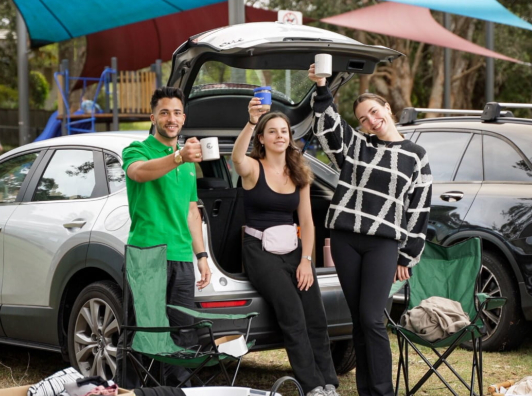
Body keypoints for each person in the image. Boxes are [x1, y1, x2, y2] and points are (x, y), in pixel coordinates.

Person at [309, 65, 432, 396]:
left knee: (372, 318)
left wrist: (407, 255)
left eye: (374, 112)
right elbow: (329, 130)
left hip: (384, 244)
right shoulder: (357, 146)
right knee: (358, 320)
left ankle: (382, 392)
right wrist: (322, 88)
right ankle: (368, 391)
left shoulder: (416, 156)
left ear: (387, 109)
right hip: (346, 239)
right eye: (363, 118)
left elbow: (420, 209)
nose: (370, 121)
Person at [231, 99, 339, 396]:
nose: (280, 135)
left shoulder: (299, 172)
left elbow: (307, 220)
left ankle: (329, 382)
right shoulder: (253, 168)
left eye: (284, 131)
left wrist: (306, 261)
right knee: (292, 314)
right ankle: (312, 385)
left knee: (315, 315)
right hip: (259, 251)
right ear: (262, 139)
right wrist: (252, 121)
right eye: (273, 131)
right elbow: (236, 157)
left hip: (294, 251)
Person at [121, 86, 210, 386]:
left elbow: (191, 213)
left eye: (175, 113)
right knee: (144, 335)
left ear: (183, 118)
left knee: (183, 334)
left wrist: (202, 256)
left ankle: (177, 391)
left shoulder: (187, 164)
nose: (170, 119)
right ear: (153, 117)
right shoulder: (138, 149)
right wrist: (178, 158)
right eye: (164, 113)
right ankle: (133, 391)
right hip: (148, 255)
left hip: (182, 257)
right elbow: (138, 173)